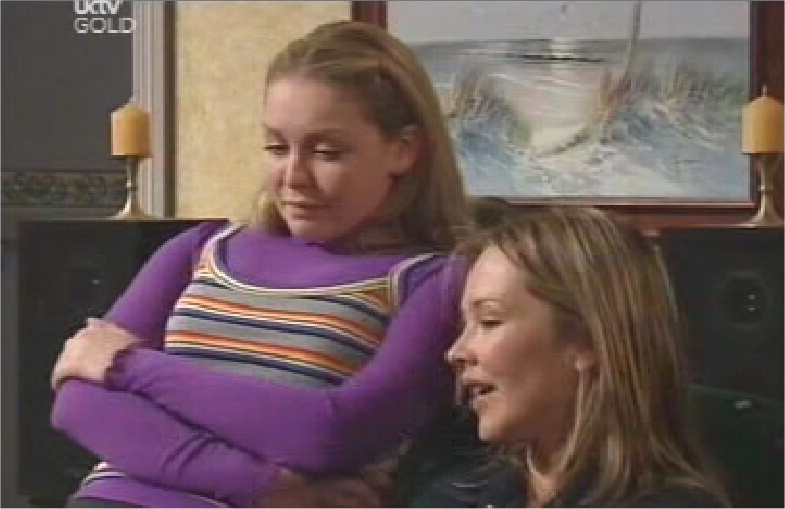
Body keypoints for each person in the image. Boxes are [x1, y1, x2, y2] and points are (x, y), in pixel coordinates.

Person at [49, 20, 469, 508]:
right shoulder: (203, 247)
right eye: (276, 147)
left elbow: (330, 431)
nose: (294, 177)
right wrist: (261, 486)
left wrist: (127, 365)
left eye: (327, 152)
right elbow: (78, 404)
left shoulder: (434, 282)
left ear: (404, 150)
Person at [413, 205, 729, 507]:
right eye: (464, 325)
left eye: (489, 321)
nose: (456, 352)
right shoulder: (451, 497)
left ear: (586, 338)